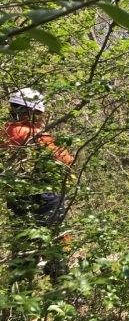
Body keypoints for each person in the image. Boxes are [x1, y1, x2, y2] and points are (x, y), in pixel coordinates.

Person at [0, 88, 74, 282]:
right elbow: (66, 159)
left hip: (15, 196)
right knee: (57, 242)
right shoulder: (35, 135)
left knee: (23, 243)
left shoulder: (4, 133)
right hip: (44, 196)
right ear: (32, 112)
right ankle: (63, 290)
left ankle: (19, 292)